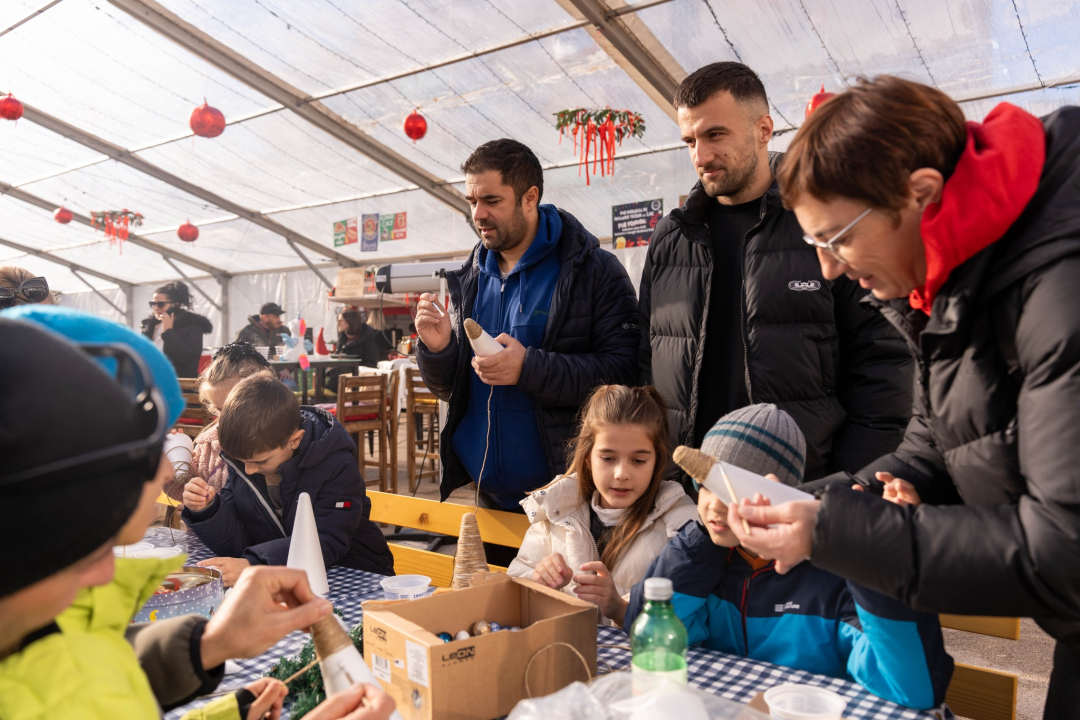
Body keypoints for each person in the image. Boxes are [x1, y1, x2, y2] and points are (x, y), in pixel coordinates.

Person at [722, 75, 1080, 718]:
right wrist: (821, 502)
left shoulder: (1061, 291)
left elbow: (1065, 548)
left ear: (921, 193)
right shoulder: (953, 275)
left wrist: (838, 531)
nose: (828, 268)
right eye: (813, 244)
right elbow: (937, 438)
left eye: (836, 239)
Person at [0, 312, 395, 720]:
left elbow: (101, 673)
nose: (172, 469)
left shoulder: (36, 628)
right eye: (91, 547)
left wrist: (213, 657)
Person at [637, 62, 913, 491]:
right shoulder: (672, 237)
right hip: (685, 491)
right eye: (689, 140)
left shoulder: (818, 221)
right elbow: (645, 363)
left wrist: (843, 487)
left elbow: (882, 365)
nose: (700, 156)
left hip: (796, 493)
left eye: (715, 135)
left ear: (763, 129)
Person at [625, 405, 953, 711]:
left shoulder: (832, 576)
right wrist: (699, 545)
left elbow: (912, 689)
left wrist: (877, 564)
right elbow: (646, 635)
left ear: (777, 497)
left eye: (731, 491)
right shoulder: (706, 560)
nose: (713, 505)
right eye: (706, 487)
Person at [414, 139, 639, 512]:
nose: (478, 214)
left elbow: (626, 374)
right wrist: (440, 351)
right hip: (486, 497)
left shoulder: (593, 271)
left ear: (530, 197)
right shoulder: (470, 277)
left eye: (491, 200)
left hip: (569, 497)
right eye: (472, 202)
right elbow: (452, 389)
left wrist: (529, 368)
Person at [507, 385, 696, 625]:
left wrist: (620, 609)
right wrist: (539, 581)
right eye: (608, 458)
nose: (621, 473)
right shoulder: (556, 510)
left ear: (657, 461)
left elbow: (686, 619)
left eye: (638, 460)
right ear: (588, 458)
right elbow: (515, 589)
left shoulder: (679, 524)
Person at [181, 373, 395, 584]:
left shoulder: (337, 466)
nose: (249, 470)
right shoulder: (247, 463)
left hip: (356, 576)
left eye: (261, 461)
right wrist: (207, 510)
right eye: (241, 461)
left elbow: (326, 542)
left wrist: (254, 565)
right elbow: (237, 541)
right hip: (283, 578)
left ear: (295, 440)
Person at [188, 342, 275, 494]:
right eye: (219, 409)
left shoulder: (275, 445)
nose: (225, 418)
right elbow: (192, 485)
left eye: (233, 410)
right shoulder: (208, 444)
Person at [141, 281, 213, 379]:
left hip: (179, 384)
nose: (156, 308)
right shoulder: (150, 326)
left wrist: (168, 332)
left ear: (175, 304)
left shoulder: (192, 325)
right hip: (151, 381)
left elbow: (188, 358)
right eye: (153, 304)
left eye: (160, 304)